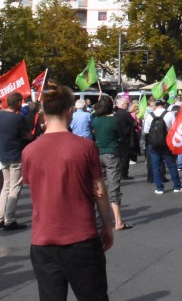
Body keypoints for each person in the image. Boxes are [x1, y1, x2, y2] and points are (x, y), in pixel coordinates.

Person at [23, 85, 114, 300]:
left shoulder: (29, 151)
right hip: (80, 237)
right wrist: (107, 224)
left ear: (44, 113)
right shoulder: (85, 147)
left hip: (43, 239)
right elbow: (99, 191)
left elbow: (33, 185)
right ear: (69, 111)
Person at [0, 92, 32, 230]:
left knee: (6, 186)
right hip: (16, 155)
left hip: (3, 154)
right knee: (15, 188)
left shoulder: (0, 116)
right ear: (17, 103)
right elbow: (28, 136)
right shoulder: (18, 118)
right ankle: (9, 219)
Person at [92, 96, 130, 230]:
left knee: (98, 187)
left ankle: (98, 218)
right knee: (114, 186)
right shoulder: (115, 120)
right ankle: (118, 221)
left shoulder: (95, 120)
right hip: (112, 153)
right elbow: (122, 136)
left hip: (98, 154)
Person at [142, 99, 182, 194]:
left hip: (153, 144)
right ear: (164, 105)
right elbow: (174, 128)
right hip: (166, 143)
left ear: (155, 105)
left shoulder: (150, 115)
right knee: (172, 165)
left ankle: (159, 188)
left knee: (156, 166)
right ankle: (177, 186)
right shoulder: (169, 114)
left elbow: (146, 131)